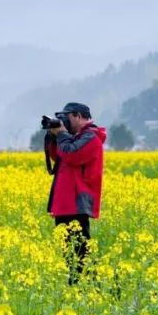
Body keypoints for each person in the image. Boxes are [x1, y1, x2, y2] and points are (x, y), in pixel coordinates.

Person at [44, 102, 106, 283]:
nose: (64, 122)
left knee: (81, 253)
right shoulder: (75, 137)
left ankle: (88, 289)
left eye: (67, 117)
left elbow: (71, 154)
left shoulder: (91, 137)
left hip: (77, 205)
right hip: (64, 204)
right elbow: (59, 155)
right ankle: (75, 287)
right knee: (68, 253)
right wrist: (53, 136)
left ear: (78, 116)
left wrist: (62, 134)